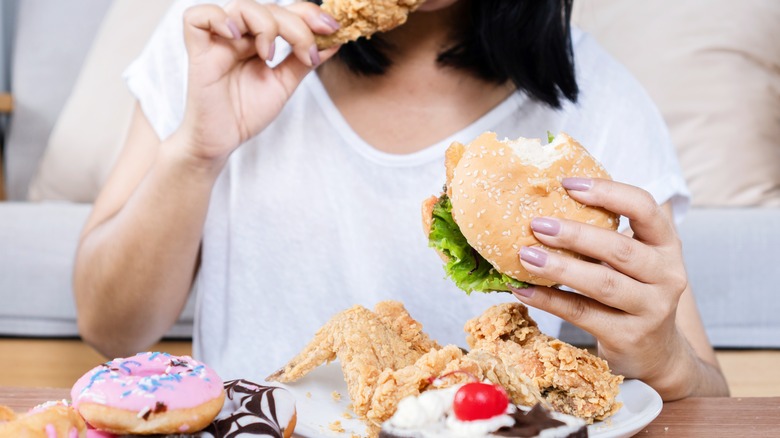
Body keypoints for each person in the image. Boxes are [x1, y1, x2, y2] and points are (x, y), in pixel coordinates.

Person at [73, 0, 729, 400]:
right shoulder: (218, 38)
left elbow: (707, 390)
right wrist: (196, 151)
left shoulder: (601, 101)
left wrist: (664, 358)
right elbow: (111, 329)